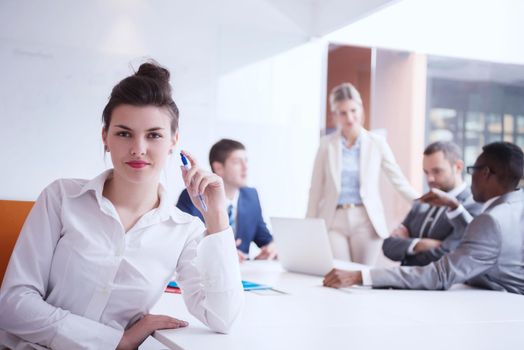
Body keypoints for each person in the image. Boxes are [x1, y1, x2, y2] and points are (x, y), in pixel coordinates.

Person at [0, 62, 244, 349]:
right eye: (124, 133)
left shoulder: (185, 230)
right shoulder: (61, 197)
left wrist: (216, 216)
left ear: (173, 141)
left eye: (153, 135)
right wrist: (115, 341)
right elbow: (13, 304)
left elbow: (222, 317)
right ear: (105, 138)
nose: (138, 148)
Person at [323, 142, 524, 295]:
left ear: (485, 173)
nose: (430, 179)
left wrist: (361, 276)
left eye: (473, 170)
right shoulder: (514, 207)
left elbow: (441, 274)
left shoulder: (490, 220)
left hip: (502, 308)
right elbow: (390, 245)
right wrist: (453, 209)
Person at [307, 82, 419, 266]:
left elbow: (397, 179)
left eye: (353, 110)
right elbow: (315, 190)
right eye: (343, 113)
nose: (350, 118)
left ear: (361, 109)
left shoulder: (377, 143)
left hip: (366, 220)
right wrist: (309, 227)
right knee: (339, 273)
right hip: (334, 220)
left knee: (363, 275)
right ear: (335, 115)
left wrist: (424, 203)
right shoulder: (326, 145)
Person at [382, 141, 482, 266]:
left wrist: (407, 250)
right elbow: (388, 246)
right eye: (426, 172)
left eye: (437, 171)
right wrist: (420, 244)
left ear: (458, 167)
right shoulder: (422, 202)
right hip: (405, 281)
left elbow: (447, 254)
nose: (430, 179)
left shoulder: (472, 205)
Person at [177, 139, 276, 262]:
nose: (245, 167)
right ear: (219, 168)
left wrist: (272, 247)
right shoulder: (194, 195)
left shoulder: (251, 196)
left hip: (244, 273)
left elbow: (263, 237)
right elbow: (181, 243)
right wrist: (219, 250)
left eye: (246, 161)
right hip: (207, 271)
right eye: (237, 162)